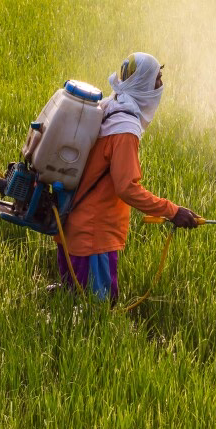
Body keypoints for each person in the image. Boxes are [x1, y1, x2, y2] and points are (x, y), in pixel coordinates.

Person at [55, 52, 199, 300]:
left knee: (72, 306)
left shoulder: (109, 106)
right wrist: (173, 211)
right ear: (143, 83)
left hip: (72, 226)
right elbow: (126, 188)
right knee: (96, 313)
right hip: (93, 237)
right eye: (158, 79)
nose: (161, 86)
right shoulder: (124, 128)